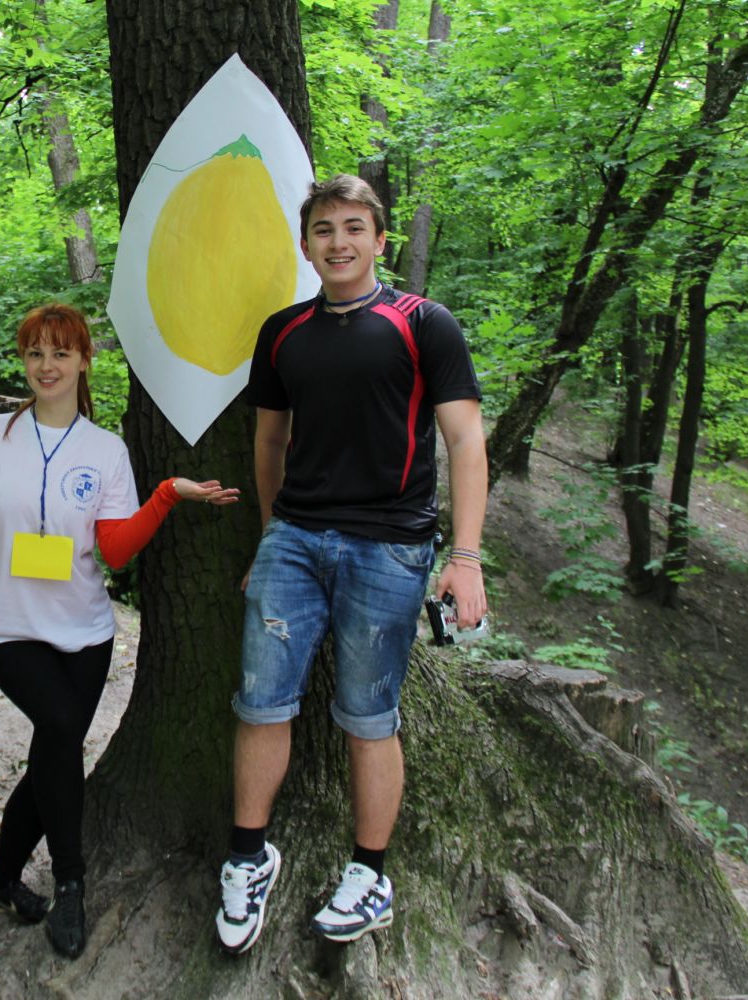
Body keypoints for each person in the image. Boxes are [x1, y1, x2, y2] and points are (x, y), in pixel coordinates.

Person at [0, 303, 238, 959]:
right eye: (35, 353)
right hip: (9, 630)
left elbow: (114, 551)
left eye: (61, 352)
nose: (47, 365)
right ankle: (71, 883)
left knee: (54, 751)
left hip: (86, 633)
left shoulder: (106, 450)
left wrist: (166, 495)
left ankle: (2, 880)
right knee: (60, 731)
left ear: (84, 361)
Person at [214, 175, 488, 954]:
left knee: (369, 717)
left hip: (391, 547)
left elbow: (466, 441)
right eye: (324, 229)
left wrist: (466, 557)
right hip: (294, 541)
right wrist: (270, 536)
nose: (339, 242)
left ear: (379, 239)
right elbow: (269, 441)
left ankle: (370, 875)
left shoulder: (424, 323)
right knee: (260, 703)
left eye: (354, 227)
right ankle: (247, 858)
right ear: (306, 245)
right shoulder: (283, 332)